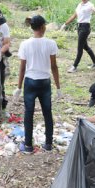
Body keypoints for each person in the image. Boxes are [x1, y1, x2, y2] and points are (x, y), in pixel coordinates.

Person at [14, 15, 62, 154]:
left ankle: (28, 145)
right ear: (42, 27)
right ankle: (48, 144)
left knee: (28, 113)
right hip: (45, 82)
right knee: (47, 113)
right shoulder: (50, 43)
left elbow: (22, 67)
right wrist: (58, 87)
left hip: (30, 82)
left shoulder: (25, 44)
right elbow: (54, 66)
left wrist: (18, 87)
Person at [61, 0, 95, 73]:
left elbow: (94, 9)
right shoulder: (79, 5)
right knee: (85, 46)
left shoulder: (90, 5)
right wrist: (65, 24)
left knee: (80, 48)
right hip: (79, 27)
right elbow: (74, 15)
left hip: (85, 27)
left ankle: (74, 66)